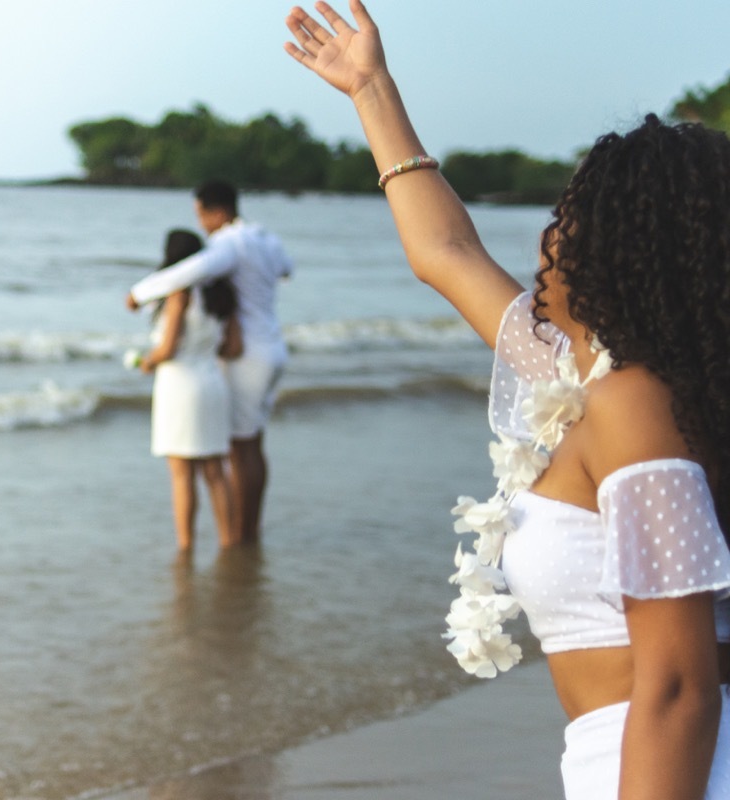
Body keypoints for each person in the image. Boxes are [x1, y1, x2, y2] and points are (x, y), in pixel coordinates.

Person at [283, 2, 730, 799]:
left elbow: (678, 686)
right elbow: (445, 253)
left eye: (570, 213)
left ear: (616, 244)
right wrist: (370, 90)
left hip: (666, 764)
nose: (546, 236)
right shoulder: (585, 377)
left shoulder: (634, 405)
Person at [126, 181, 292, 545]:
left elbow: (186, 272)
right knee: (252, 445)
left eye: (202, 214)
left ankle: (242, 534)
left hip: (249, 355)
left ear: (218, 211)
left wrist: (139, 294)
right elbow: (286, 270)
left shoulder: (228, 245)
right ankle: (248, 528)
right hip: (274, 345)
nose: (202, 224)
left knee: (240, 447)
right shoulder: (265, 238)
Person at [138, 229, 244, 552]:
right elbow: (234, 348)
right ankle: (230, 541)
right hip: (212, 381)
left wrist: (147, 361)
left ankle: (185, 546)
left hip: (179, 385)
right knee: (215, 470)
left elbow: (168, 347)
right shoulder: (222, 293)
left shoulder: (178, 293)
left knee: (182, 473)